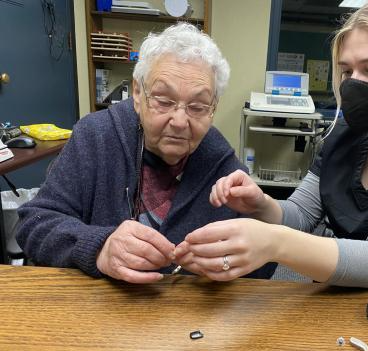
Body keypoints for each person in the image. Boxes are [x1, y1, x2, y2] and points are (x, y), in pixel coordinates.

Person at [174, 0, 368, 291]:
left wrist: (274, 243)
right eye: (346, 71)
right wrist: (260, 204)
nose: (353, 83)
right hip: (349, 300)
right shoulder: (345, 134)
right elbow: (301, 214)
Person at [16, 23, 276, 283]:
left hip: (186, 317)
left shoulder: (222, 166)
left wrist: (234, 260)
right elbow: (34, 224)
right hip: (97, 310)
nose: (179, 121)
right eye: (163, 101)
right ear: (138, 93)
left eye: (197, 106)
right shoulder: (96, 136)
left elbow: (263, 270)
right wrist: (100, 248)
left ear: (213, 109)